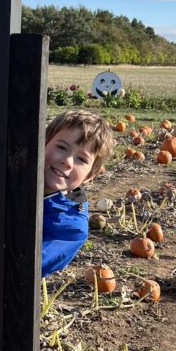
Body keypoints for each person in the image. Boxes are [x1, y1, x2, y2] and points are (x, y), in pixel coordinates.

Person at [42, 109, 115, 278]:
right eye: (61, 147)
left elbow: (22, 263)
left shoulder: (72, 228)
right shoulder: (13, 170)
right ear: (42, 143)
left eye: (81, 159)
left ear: (89, 175)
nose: (67, 161)